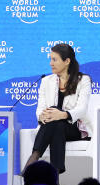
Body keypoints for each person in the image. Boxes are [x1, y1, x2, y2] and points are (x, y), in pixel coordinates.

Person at [22, 43, 92, 175]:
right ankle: (54, 175)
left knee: (57, 119)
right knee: (57, 125)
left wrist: (62, 115)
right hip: (54, 127)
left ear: (67, 61)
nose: (50, 63)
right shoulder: (46, 81)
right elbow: (40, 108)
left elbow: (82, 109)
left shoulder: (83, 80)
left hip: (73, 127)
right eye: (50, 59)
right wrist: (42, 116)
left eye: (54, 59)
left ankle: (33, 159)